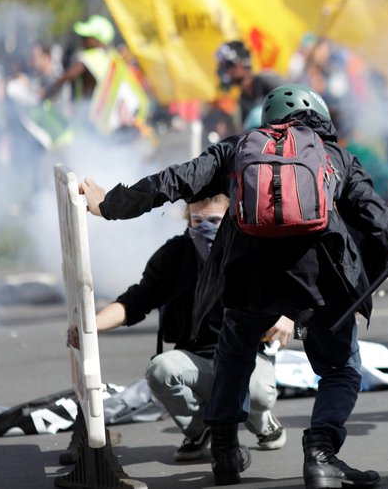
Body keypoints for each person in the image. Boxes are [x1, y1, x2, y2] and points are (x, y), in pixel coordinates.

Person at [79, 84, 388, 488]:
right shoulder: (334, 156)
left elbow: (174, 180)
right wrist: (365, 281)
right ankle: (321, 455)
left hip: (249, 275)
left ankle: (226, 451)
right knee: (340, 370)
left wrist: (111, 204)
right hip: (321, 278)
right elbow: (378, 222)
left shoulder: (237, 148)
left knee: (234, 351)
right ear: (318, 117)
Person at [67, 195, 289, 461]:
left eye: (215, 221)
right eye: (198, 220)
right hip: (196, 362)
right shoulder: (175, 255)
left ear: (233, 219)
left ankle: (262, 421)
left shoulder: (250, 251)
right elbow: (137, 300)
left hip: (247, 357)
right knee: (160, 370)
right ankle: (200, 430)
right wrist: (89, 326)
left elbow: (293, 285)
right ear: (188, 219)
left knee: (259, 393)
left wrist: (289, 316)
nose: (205, 228)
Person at [215, 40, 284, 130]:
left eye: (227, 65)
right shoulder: (242, 99)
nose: (224, 71)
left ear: (239, 64)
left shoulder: (267, 81)